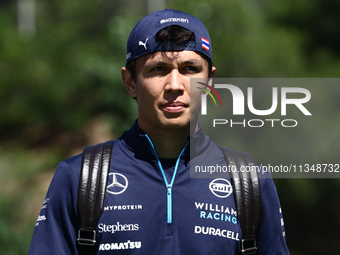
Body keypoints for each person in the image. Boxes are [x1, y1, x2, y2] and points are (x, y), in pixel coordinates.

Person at [28, 8, 289, 255]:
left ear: (209, 81)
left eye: (190, 69)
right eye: (158, 70)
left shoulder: (249, 181)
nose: (175, 85)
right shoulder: (79, 178)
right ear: (130, 82)